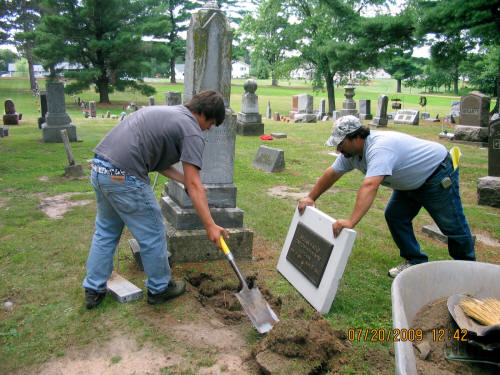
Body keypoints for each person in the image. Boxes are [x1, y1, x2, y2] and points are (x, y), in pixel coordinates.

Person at [83, 90, 229, 309]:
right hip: (125, 176)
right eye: (212, 124)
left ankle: (93, 290)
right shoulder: (191, 130)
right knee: (153, 232)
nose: (208, 129)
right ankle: (159, 288)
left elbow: (158, 163)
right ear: (206, 114)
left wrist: (184, 181)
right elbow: (195, 184)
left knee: (106, 231)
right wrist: (210, 225)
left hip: (100, 169)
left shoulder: (167, 114)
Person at [298, 115, 475, 278]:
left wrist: (351, 221)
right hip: (409, 181)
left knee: (452, 225)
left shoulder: (380, 147)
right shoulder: (350, 153)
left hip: (436, 174)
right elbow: (332, 173)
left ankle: (468, 272)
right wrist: (311, 197)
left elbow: (370, 185)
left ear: (357, 137)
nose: (338, 149)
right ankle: (414, 261)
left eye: (341, 144)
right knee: (395, 216)